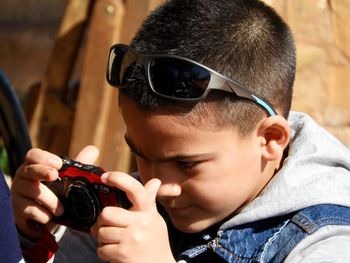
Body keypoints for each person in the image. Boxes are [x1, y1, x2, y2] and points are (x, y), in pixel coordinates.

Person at [11, 0, 350, 262]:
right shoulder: (133, 208)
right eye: (141, 156)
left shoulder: (328, 242)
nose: (159, 187)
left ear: (270, 140)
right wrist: (31, 236)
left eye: (187, 165)